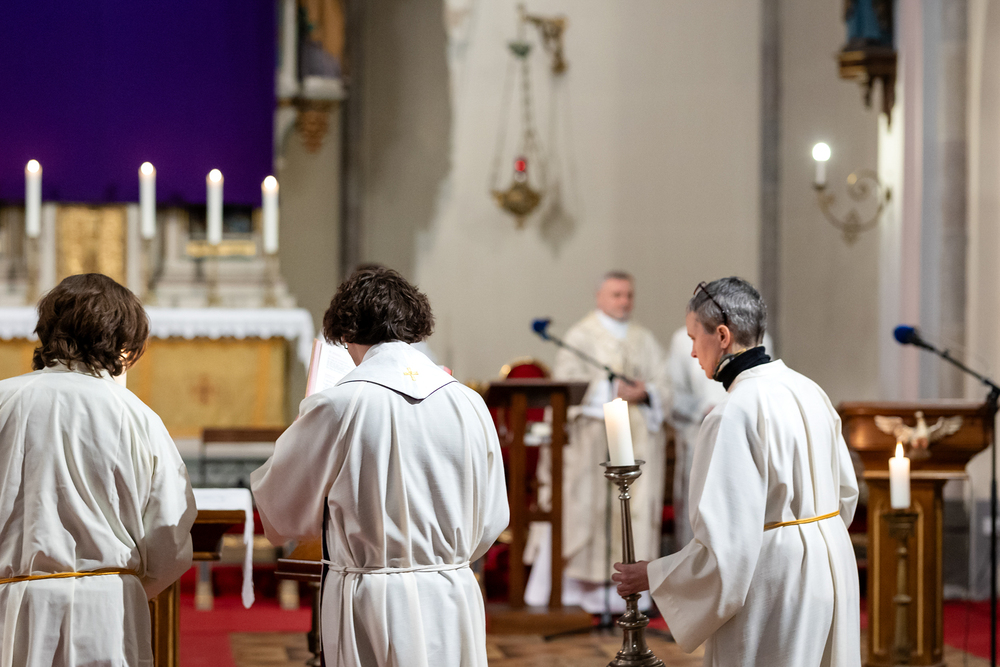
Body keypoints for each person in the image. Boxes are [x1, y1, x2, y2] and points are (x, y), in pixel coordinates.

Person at [251, 267, 508, 667]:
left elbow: (282, 510)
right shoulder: (468, 402)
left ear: (346, 333)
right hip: (452, 590)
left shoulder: (337, 404)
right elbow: (492, 517)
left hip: (372, 597)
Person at [612, 277, 860, 667]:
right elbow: (846, 493)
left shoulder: (733, 411)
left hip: (776, 582)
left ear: (723, 336)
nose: (692, 352)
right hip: (833, 565)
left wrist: (654, 575)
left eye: (695, 338)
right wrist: (812, 541)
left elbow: (725, 546)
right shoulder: (810, 389)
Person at [0, 273, 196, 667]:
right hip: (107, 616)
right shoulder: (137, 416)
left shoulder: (5, 400)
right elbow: (169, 541)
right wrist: (118, 585)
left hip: (9, 609)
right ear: (124, 341)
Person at [525, 270, 670, 613]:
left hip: (638, 440)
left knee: (633, 508)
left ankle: (630, 592)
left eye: (629, 295)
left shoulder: (644, 338)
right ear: (599, 297)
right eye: (616, 294)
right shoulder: (580, 336)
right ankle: (585, 589)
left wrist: (647, 392)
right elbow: (566, 386)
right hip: (593, 443)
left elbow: (665, 386)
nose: (624, 301)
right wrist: (610, 389)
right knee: (589, 509)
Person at [666, 326, 772, 551]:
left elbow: (765, 387)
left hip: (744, 439)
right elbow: (672, 395)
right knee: (701, 514)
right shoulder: (683, 340)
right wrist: (704, 409)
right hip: (700, 436)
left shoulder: (756, 337)